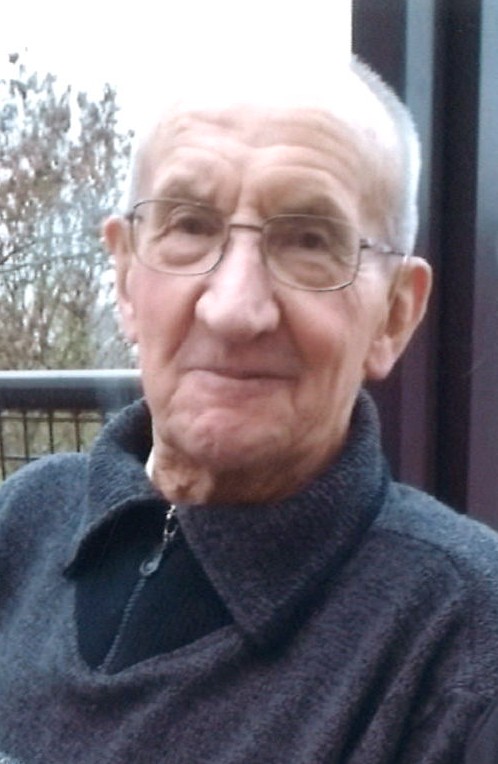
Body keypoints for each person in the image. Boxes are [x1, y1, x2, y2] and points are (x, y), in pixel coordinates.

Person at [1, 57, 498, 764]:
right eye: (190, 225)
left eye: (309, 241)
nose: (234, 308)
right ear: (126, 277)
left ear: (394, 314)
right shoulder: (24, 521)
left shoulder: (463, 643)